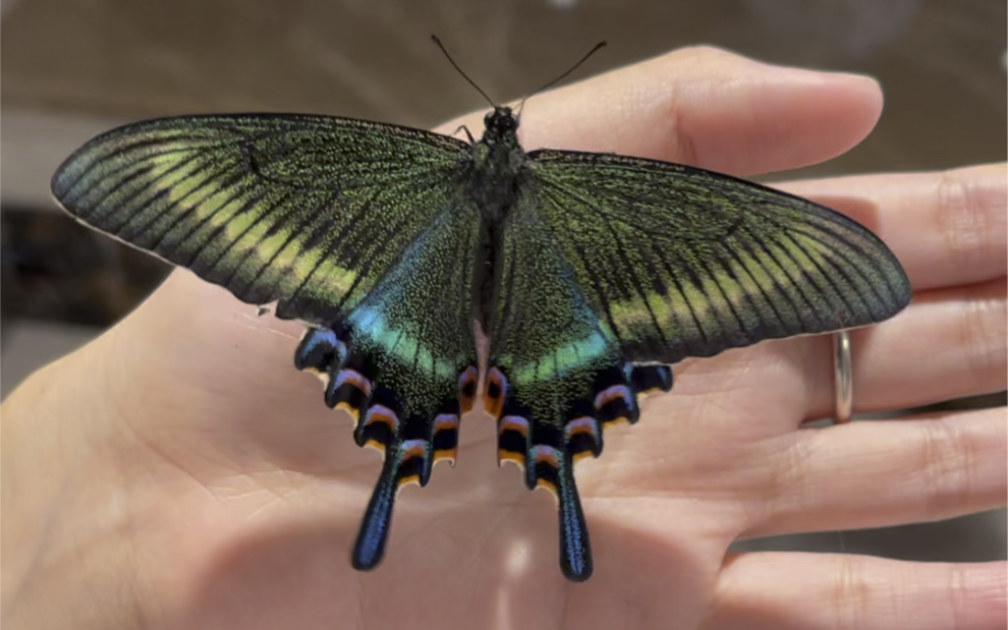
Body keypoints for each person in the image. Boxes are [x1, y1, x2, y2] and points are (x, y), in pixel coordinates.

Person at [2, 46, 1005, 630]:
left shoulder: (383, 165)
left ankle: (417, 479)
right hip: (540, 333)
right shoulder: (598, 192)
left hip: (416, 319)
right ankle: (545, 489)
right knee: (539, 438)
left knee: (414, 425)